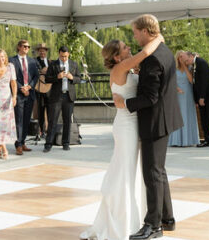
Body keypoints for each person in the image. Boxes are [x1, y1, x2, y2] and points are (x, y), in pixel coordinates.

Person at [80, 35, 164, 240]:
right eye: (125, 48)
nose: (129, 48)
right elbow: (145, 53)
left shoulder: (125, 68)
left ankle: (130, 218)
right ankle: (122, 222)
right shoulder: (120, 68)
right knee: (125, 171)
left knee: (130, 171)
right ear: (117, 57)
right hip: (126, 126)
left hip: (132, 124)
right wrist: (158, 38)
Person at [113, 14, 183, 240]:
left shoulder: (152, 58)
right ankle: (167, 219)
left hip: (154, 121)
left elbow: (150, 97)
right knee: (159, 171)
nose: (134, 37)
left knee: (152, 174)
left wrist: (126, 103)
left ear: (145, 31)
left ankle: (153, 225)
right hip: (166, 118)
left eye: (135, 32)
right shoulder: (165, 51)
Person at [181, 51, 209, 148]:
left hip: (208, 95)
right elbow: (195, 83)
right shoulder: (194, 65)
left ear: (191, 56)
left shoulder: (201, 62)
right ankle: (207, 140)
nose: (187, 63)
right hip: (200, 96)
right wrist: (197, 99)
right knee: (204, 118)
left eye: (187, 60)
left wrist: (202, 97)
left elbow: (204, 81)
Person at [43, 46, 81, 152]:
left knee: (67, 121)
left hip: (69, 96)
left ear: (68, 54)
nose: (63, 58)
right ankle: (48, 144)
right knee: (52, 121)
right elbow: (47, 79)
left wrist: (71, 77)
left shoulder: (74, 64)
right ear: (59, 54)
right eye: (61, 56)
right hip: (56, 96)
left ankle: (66, 143)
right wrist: (57, 77)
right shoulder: (53, 64)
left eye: (65, 56)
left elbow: (79, 78)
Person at [9, 40, 39, 155]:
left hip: (30, 94)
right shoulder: (12, 60)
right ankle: (18, 144)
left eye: (28, 46)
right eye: (25, 46)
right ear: (19, 47)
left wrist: (29, 87)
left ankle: (23, 141)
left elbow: (36, 76)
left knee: (26, 120)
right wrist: (22, 88)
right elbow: (12, 77)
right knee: (19, 120)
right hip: (19, 94)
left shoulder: (32, 61)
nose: (27, 48)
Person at [168, 51, 200, 147]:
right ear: (178, 58)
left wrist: (185, 67)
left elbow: (191, 81)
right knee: (179, 116)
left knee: (188, 115)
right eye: (181, 57)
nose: (183, 59)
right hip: (177, 95)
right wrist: (177, 89)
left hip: (188, 95)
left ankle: (188, 140)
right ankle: (176, 141)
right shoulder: (173, 69)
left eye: (184, 57)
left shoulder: (190, 68)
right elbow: (170, 82)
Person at [35, 43, 52, 138]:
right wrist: (41, 70)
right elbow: (33, 71)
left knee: (50, 109)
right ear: (38, 51)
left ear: (46, 51)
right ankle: (42, 130)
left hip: (49, 89)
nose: (42, 52)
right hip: (39, 88)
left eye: (44, 50)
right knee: (40, 110)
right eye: (40, 50)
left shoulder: (50, 62)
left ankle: (49, 129)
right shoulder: (35, 61)